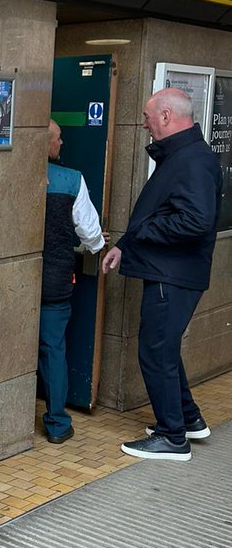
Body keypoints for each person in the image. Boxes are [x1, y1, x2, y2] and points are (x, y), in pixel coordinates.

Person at [102, 88, 222, 461]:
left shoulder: (192, 160)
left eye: (147, 116)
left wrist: (143, 232)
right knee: (164, 349)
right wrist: (127, 242)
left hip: (173, 276)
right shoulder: (185, 155)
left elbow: (195, 221)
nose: (144, 123)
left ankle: (172, 437)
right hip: (172, 272)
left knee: (154, 351)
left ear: (167, 117)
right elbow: (163, 211)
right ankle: (188, 420)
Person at [38, 120, 105, 443]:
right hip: (55, 281)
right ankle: (57, 424)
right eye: (59, 138)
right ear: (45, 142)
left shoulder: (13, 178)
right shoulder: (71, 180)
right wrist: (93, 246)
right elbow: (91, 235)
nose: (62, 144)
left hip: (16, 284)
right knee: (53, 350)